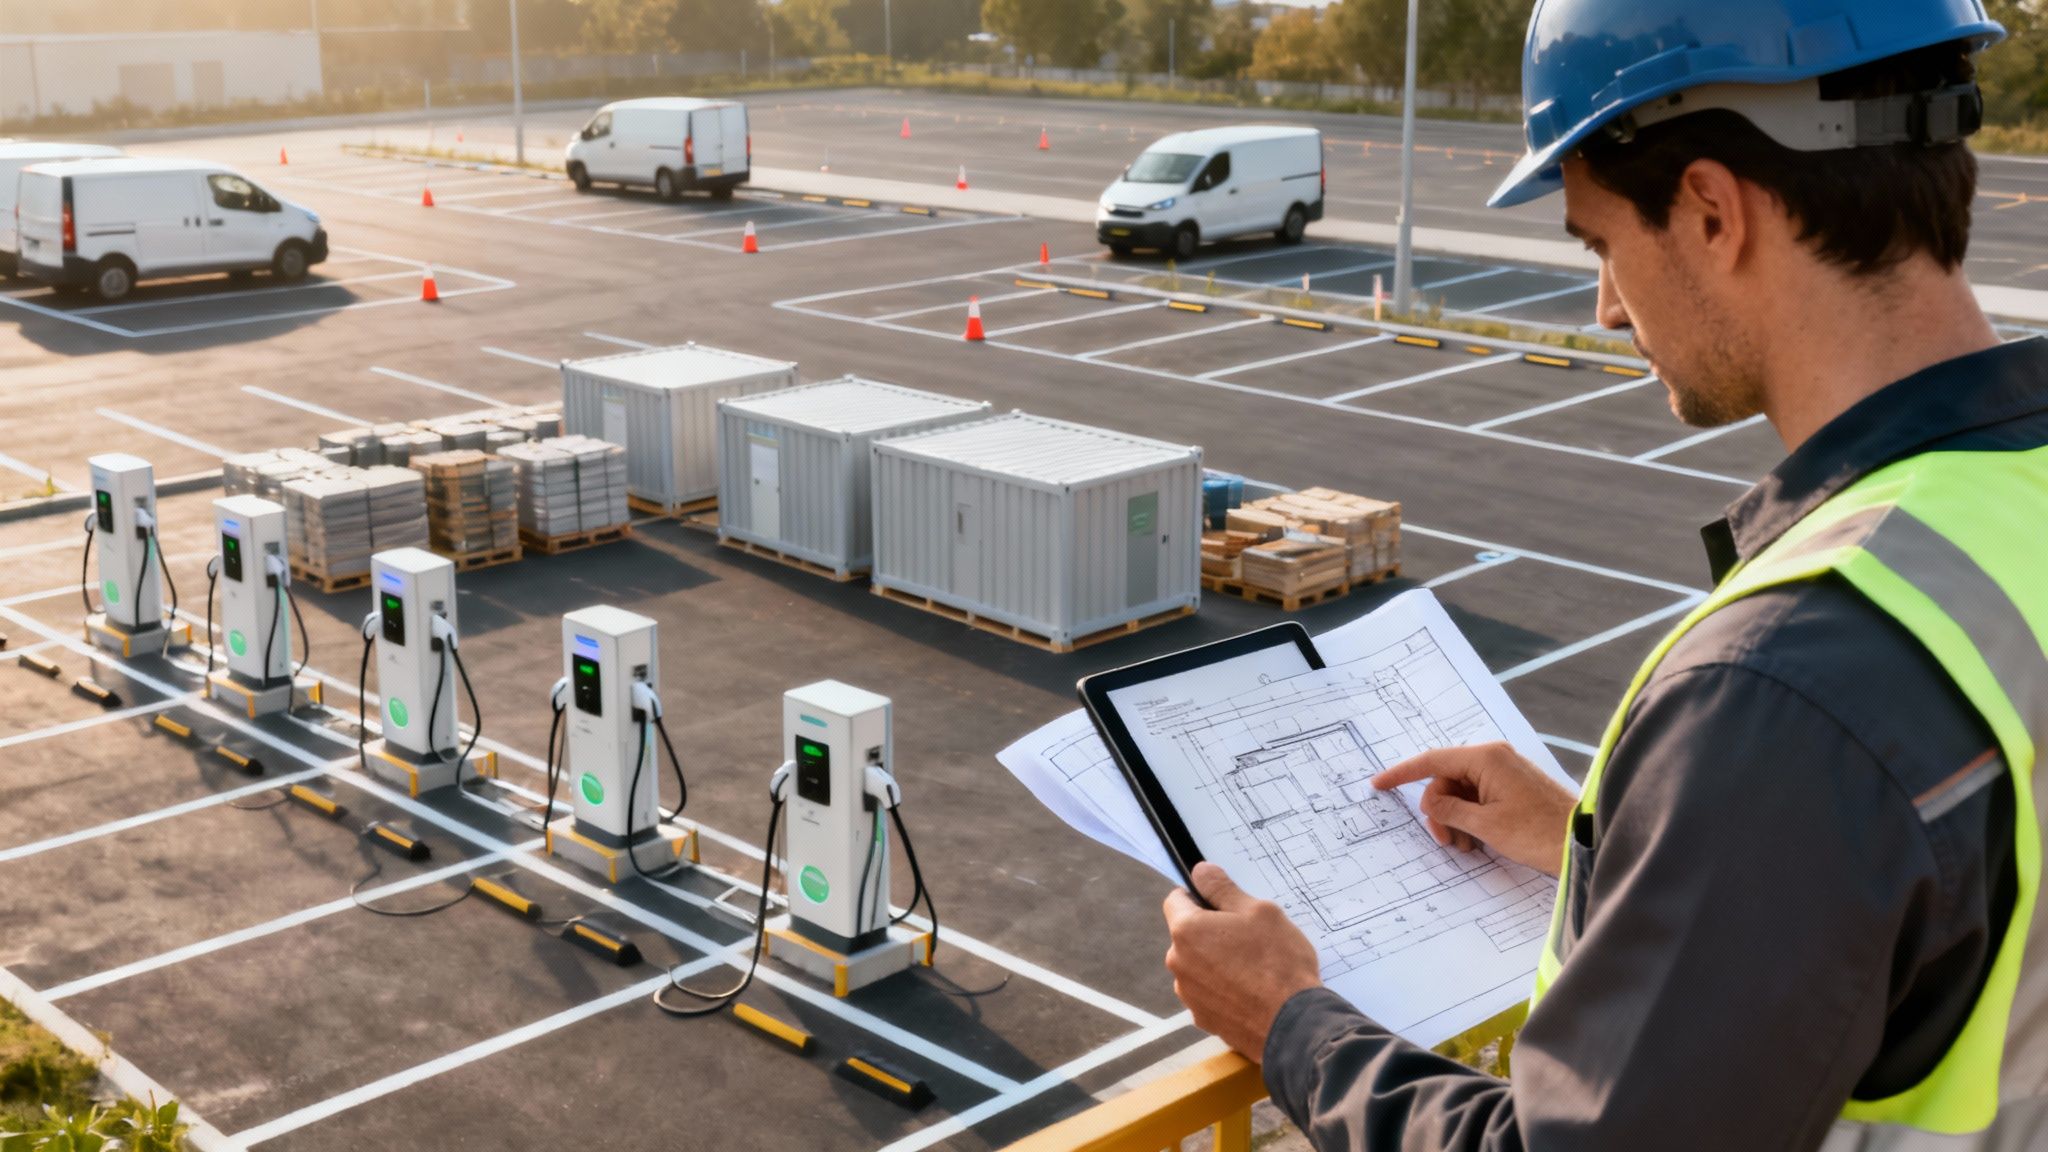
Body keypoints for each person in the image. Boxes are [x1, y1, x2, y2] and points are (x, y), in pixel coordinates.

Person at [1160, 2, 2048, 1149]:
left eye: (1598, 245)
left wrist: (1289, 1022)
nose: (1606, 306)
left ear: (1710, 211)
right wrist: (1609, 838)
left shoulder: (1786, 689)